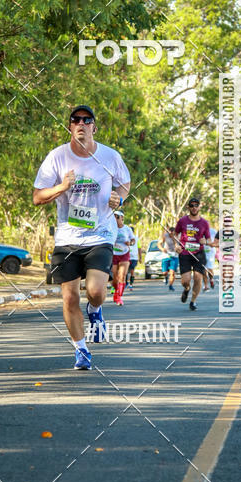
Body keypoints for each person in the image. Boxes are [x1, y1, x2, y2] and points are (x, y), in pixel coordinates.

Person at [33, 105, 131, 370]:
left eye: (86, 120)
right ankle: (81, 349)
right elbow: (37, 197)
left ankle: (95, 310)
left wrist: (119, 197)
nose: (81, 123)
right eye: (75, 120)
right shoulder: (57, 157)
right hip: (67, 238)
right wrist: (62, 187)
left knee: (96, 291)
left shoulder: (109, 157)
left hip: (100, 234)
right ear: (70, 127)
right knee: (69, 298)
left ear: (93, 128)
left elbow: (125, 182)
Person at [174, 196, 212, 311]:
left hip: (199, 253)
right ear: (188, 207)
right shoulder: (182, 221)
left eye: (196, 205)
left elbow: (209, 240)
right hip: (185, 253)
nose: (194, 208)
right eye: (192, 206)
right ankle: (186, 289)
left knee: (198, 278)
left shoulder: (204, 223)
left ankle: (193, 301)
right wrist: (176, 245)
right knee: (185, 281)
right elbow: (175, 235)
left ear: (199, 206)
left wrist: (205, 241)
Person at [111, 211, 134, 305]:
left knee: (122, 276)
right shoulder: (110, 228)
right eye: (113, 217)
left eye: (117, 217)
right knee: (114, 279)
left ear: (122, 218)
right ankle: (116, 291)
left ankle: (119, 297)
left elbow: (133, 240)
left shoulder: (127, 229)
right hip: (113, 254)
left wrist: (130, 243)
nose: (115, 219)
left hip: (124, 254)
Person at [161, 226, 178, 291]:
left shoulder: (177, 237)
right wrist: (162, 248)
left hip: (174, 256)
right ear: (169, 232)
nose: (172, 234)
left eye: (173, 233)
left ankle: (170, 285)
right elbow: (159, 244)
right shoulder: (165, 236)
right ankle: (165, 276)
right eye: (171, 233)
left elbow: (177, 245)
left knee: (172, 272)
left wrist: (174, 238)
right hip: (166, 256)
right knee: (164, 272)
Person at [202, 226, 219, 292]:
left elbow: (216, 241)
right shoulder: (199, 230)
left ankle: (211, 279)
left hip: (210, 252)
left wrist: (209, 243)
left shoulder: (213, 231)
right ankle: (206, 286)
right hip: (202, 252)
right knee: (203, 270)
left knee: (209, 269)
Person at [127, 226, 141, 291]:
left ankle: (131, 284)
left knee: (132, 271)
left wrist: (140, 257)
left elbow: (139, 248)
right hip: (126, 256)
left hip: (134, 257)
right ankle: (125, 283)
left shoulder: (136, 238)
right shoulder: (125, 237)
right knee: (125, 271)